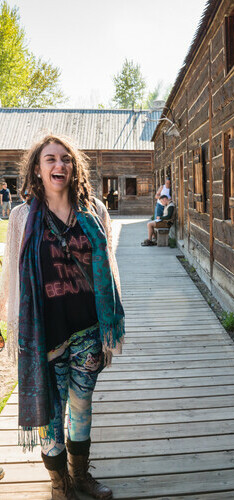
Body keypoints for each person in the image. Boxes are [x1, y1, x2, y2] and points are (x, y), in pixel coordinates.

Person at [0, 134, 125, 500]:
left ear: (75, 167)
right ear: (37, 170)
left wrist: (111, 323)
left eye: (66, 159)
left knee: (82, 403)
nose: (60, 165)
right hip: (44, 330)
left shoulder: (94, 211)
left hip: (88, 325)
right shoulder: (22, 216)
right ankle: (60, 484)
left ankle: (81, 475)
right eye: (50, 159)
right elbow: (13, 274)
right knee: (51, 412)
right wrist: (11, 322)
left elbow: (109, 265)